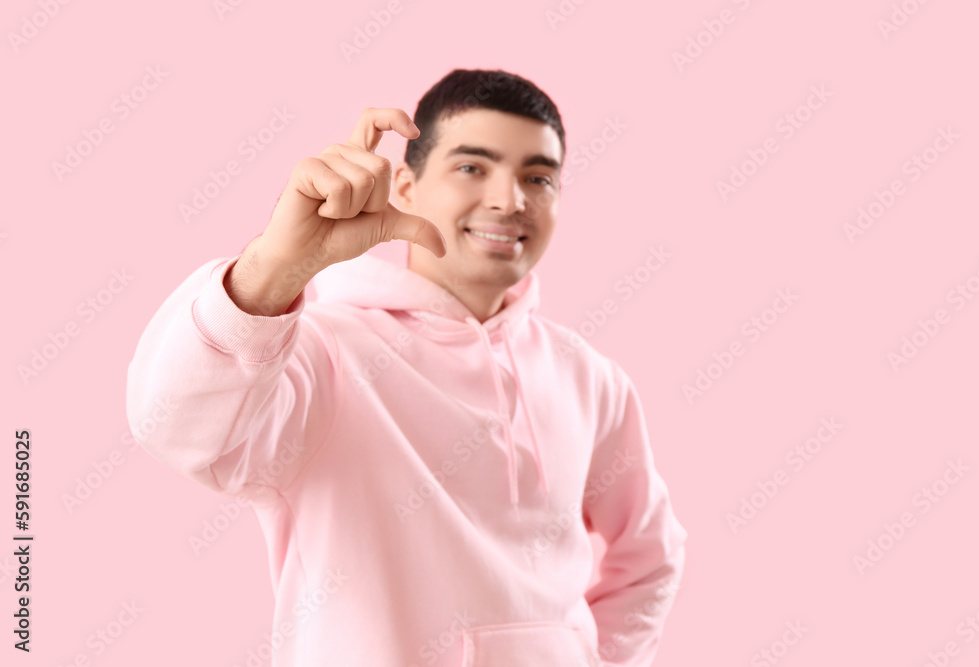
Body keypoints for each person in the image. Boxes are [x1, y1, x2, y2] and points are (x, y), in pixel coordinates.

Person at [126, 68, 687, 667]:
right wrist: (277, 266)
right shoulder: (321, 353)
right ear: (407, 184)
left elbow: (651, 556)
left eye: (538, 176)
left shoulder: (590, 377)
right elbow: (173, 425)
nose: (510, 199)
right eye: (472, 167)